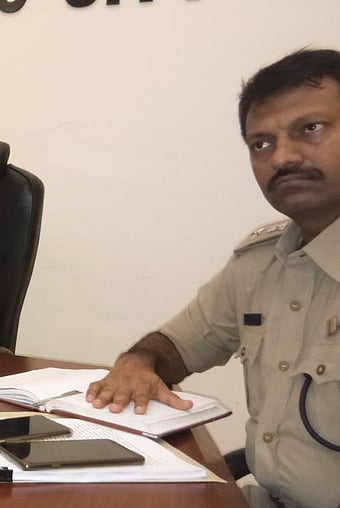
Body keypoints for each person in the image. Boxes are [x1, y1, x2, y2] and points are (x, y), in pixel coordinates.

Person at [85, 49, 340, 508]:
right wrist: (137, 364)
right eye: (260, 143)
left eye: (311, 128)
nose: (282, 156)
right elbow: (176, 345)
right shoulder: (260, 263)